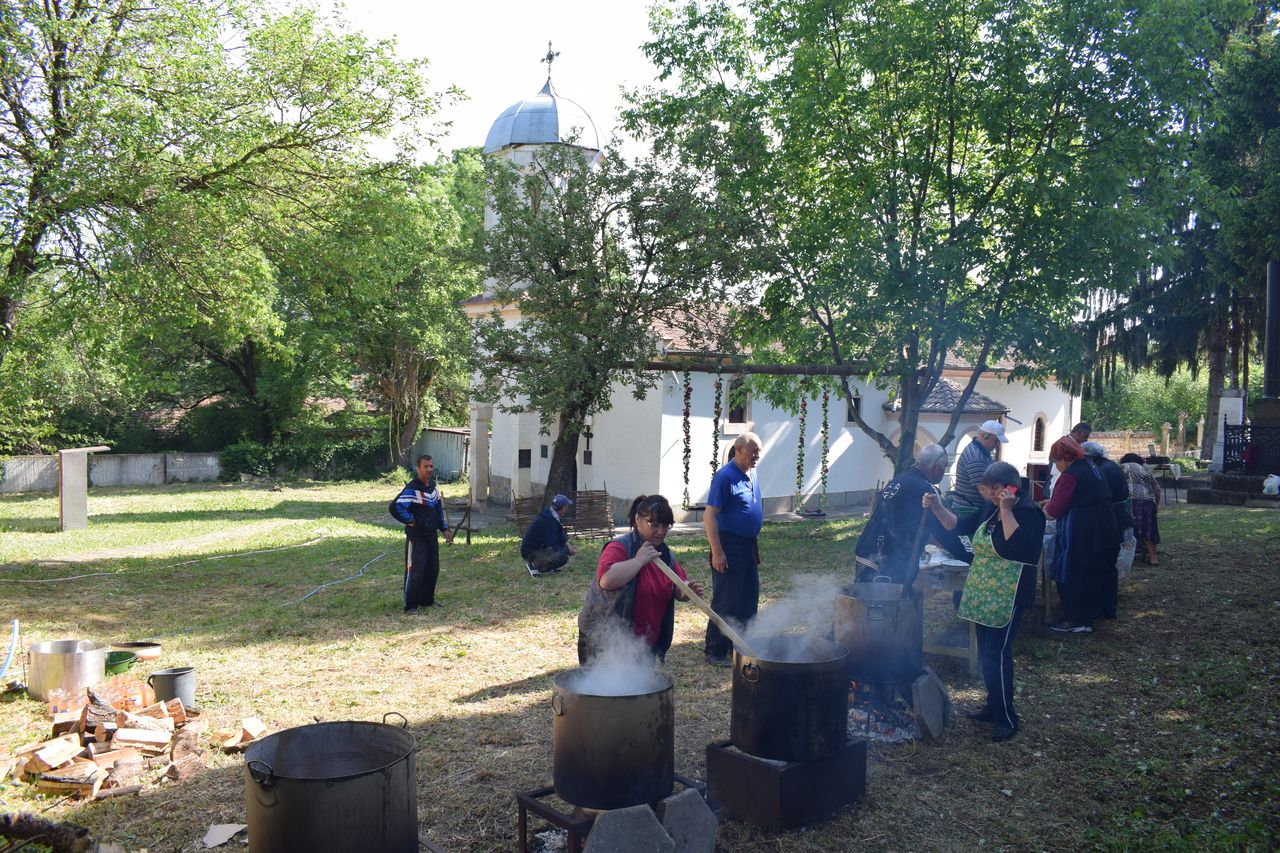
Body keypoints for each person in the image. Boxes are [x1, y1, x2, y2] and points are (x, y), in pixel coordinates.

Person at [924, 461, 1044, 742]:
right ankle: (993, 706)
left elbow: (1017, 545)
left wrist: (1006, 509)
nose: (990, 494)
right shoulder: (989, 509)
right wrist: (937, 507)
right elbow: (958, 526)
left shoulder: (1029, 513)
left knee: (997, 654)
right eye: (988, 489)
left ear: (1011, 487)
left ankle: (1007, 718)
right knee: (986, 654)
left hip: (1010, 594)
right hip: (985, 591)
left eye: (995, 489)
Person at [577, 494, 705, 664]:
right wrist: (638, 561)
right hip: (603, 639)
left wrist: (684, 591)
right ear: (638, 519)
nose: (661, 531)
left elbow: (677, 582)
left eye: (666, 526)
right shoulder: (620, 548)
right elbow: (606, 581)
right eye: (654, 525)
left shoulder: (665, 554)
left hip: (643, 643)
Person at [1042, 436, 1117, 633]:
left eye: (1056, 461)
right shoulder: (1091, 466)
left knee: (1072, 571)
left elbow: (1053, 513)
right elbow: (1083, 495)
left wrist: (1044, 510)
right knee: (1094, 572)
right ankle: (1089, 616)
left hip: (1081, 529)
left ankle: (1076, 620)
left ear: (1064, 459)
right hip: (1104, 524)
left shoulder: (1070, 475)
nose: (1056, 466)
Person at [703, 432, 764, 667]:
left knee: (748, 598)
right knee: (727, 600)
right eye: (753, 452)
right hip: (728, 544)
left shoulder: (752, 472)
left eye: (759, 452)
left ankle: (740, 647)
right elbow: (710, 516)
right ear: (738, 450)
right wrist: (717, 552)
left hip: (748, 545)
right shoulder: (725, 477)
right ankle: (715, 651)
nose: (757, 456)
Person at [854, 444, 953, 585]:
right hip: (889, 558)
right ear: (937, 468)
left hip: (867, 549)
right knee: (889, 597)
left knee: (863, 594)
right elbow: (943, 527)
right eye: (944, 467)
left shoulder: (899, 480)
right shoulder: (927, 489)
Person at [389, 455, 454, 613]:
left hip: (431, 536)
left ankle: (427, 600)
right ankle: (411, 605)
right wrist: (411, 520)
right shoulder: (412, 489)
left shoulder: (432, 487)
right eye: (425, 466)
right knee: (415, 570)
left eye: (431, 466)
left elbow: (438, 510)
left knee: (432, 569)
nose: (429, 469)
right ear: (418, 469)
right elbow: (395, 507)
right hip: (416, 538)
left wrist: (444, 528)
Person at [1083, 441, 1132, 619]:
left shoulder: (1101, 470)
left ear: (1089, 457)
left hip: (1110, 520)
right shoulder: (1107, 465)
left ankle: (1102, 606)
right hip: (1115, 518)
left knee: (1102, 565)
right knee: (1108, 567)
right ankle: (1107, 606)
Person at [953, 420, 1008, 510]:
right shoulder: (976, 457)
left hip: (972, 507)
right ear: (984, 436)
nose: (998, 444)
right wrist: (1004, 506)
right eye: (996, 440)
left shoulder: (982, 452)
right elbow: (985, 491)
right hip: (969, 510)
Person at [521, 494, 578, 577]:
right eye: (567, 507)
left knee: (562, 551)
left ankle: (548, 567)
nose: (567, 509)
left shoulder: (551, 515)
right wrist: (567, 550)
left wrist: (567, 545)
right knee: (562, 557)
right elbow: (551, 544)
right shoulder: (549, 521)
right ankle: (534, 565)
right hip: (530, 552)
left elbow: (560, 537)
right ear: (563, 508)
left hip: (538, 547)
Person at [1120, 453, 1162, 565]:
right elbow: (1157, 489)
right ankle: (1153, 558)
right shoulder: (1145, 470)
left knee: (1129, 528)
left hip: (1129, 501)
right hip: (1148, 502)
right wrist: (1156, 505)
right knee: (1149, 528)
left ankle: (1129, 555)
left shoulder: (1122, 467)